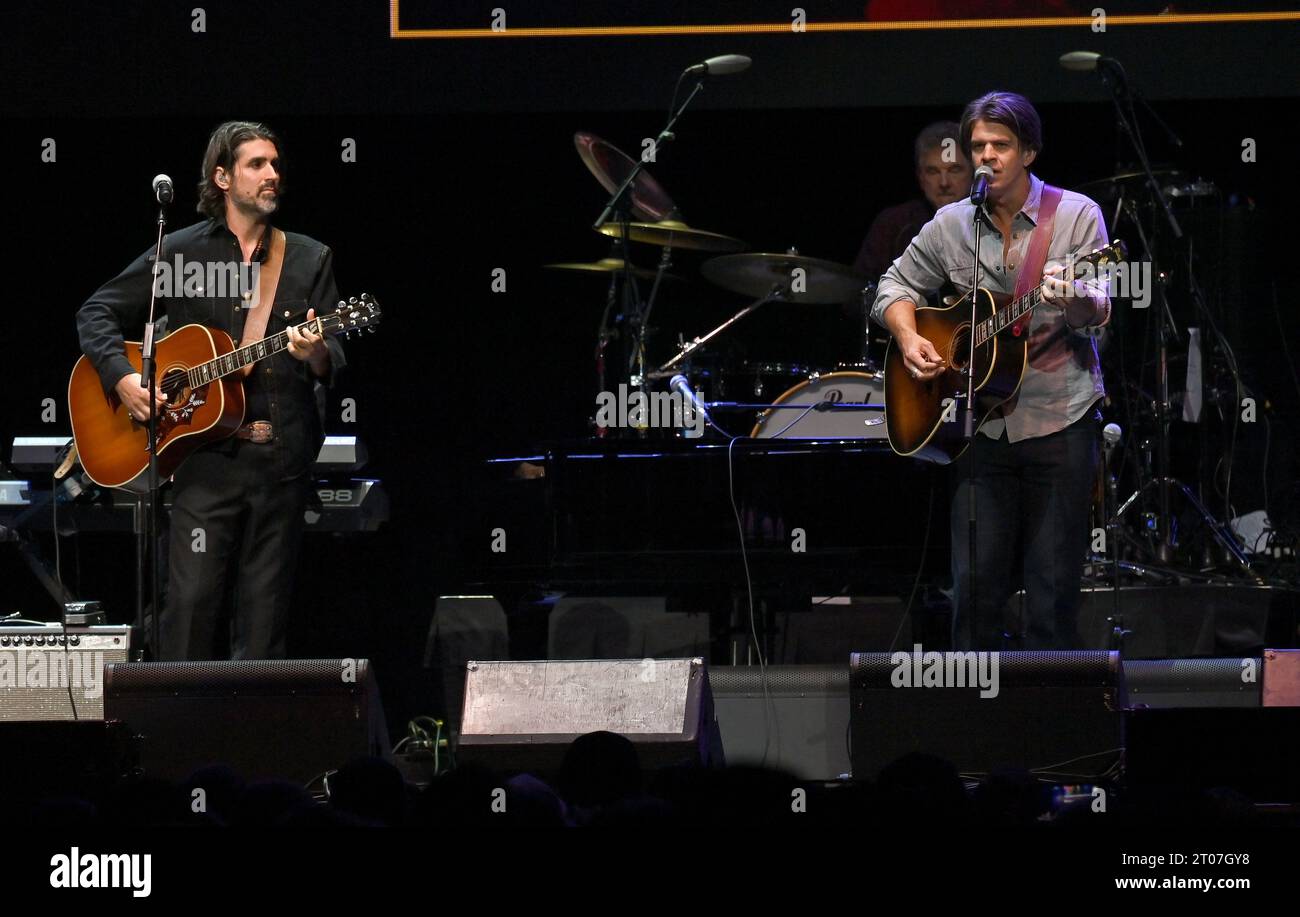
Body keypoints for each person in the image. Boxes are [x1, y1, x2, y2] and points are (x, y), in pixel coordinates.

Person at [76, 120, 346, 660]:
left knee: (265, 624)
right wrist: (124, 378)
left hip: (280, 462)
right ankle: (178, 738)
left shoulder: (308, 257)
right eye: (256, 165)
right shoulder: (178, 253)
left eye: (275, 164)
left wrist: (315, 352)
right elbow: (97, 310)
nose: (273, 174)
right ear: (222, 177)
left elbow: (332, 358)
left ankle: (251, 742)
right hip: (202, 461)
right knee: (190, 613)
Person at [872, 92, 1111, 650]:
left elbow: (1099, 311)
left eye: (1000, 145)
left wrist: (1073, 296)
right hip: (979, 425)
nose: (987, 156)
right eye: (978, 146)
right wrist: (908, 337)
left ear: (1028, 151)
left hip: (1061, 418)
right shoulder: (950, 223)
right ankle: (972, 727)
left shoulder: (1076, 215)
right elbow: (892, 286)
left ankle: (1053, 728)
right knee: (974, 592)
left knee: (1051, 592)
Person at [853, 120, 973, 280]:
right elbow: (859, 289)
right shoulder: (893, 224)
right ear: (921, 178)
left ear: (973, 173)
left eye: (954, 170)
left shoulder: (991, 221)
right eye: (933, 171)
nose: (944, 183)